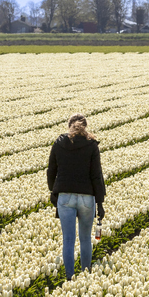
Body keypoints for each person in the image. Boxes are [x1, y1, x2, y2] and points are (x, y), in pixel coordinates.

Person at [47, 113, 107, 280]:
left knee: (68, 240)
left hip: (65, 197)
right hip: (87, 198)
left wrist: (54, 191)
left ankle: (69, 278)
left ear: (69, 126)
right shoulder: (92, 145)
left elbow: (51, 170)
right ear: (85, 127)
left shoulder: (59, 143)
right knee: (85, 239)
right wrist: (100, 202)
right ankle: (85, 275)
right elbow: (97, 175)